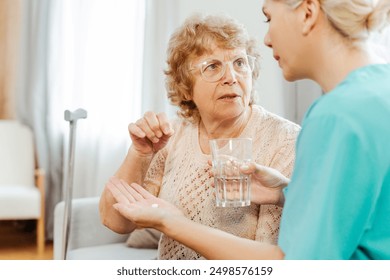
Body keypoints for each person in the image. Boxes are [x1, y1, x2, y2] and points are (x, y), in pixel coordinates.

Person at [108, 0, 390, 260]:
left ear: (307, 12)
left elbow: (298, 265)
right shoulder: (378, 91)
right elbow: (357, 217)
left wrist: (173, 223)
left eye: (268, 18)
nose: (267, 39)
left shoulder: (335, 116)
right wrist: (284, 194)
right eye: (213, 67)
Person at [99, 14, 300, 259]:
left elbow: (274, 259)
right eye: (213, 67)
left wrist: (174, 224)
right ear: (185, 87)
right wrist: (139, 153)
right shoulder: (172, 137)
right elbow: (115, 221)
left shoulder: (286, 140)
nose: (231, 77)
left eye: (239, 62)